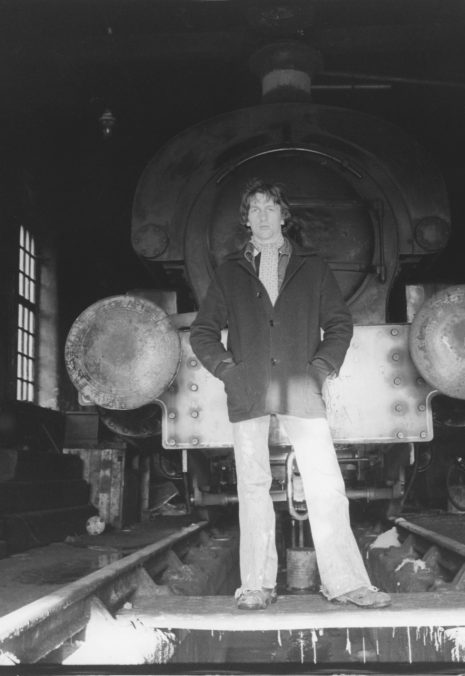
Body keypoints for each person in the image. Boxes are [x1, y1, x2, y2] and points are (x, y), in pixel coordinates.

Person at [190, 179, 391, 611]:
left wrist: (319, 370)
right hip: (249, 390)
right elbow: (204, 331)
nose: (263, 215)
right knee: (253, 486)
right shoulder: (230, 272)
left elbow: (339, 324)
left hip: (302, 389)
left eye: (270, 207)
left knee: (326, 485)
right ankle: (256, 585)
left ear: (284, 215)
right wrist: (228, 371)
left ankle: (347, 583)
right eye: (255, 209)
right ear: (246, 219)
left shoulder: (313, 267)